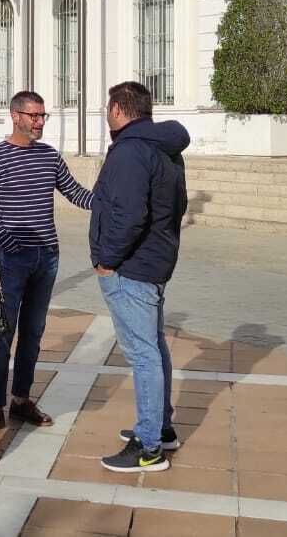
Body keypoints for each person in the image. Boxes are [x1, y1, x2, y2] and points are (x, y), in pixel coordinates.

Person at [0, 91, 94, 436]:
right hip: (11, 259)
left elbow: (76, 193)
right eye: (34, 116)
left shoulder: (49, 156)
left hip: (47, 258)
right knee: (2, 334)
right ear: (15, 116)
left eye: (43, 116)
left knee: (34, 333)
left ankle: (21, 399)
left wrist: (111, 199)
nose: (39, 122)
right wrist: (7, 243)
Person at [91, 81, 190, 474]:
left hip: (131, 268)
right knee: (154, 348)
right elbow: (177, 205)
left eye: (106, 109)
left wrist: (106, 259)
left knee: (143, 354)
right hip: (154, 261)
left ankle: (149, 447)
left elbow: (130, 215)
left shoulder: (131, 152)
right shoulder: (165, 149)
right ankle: (159, 428)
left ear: (117, 110)